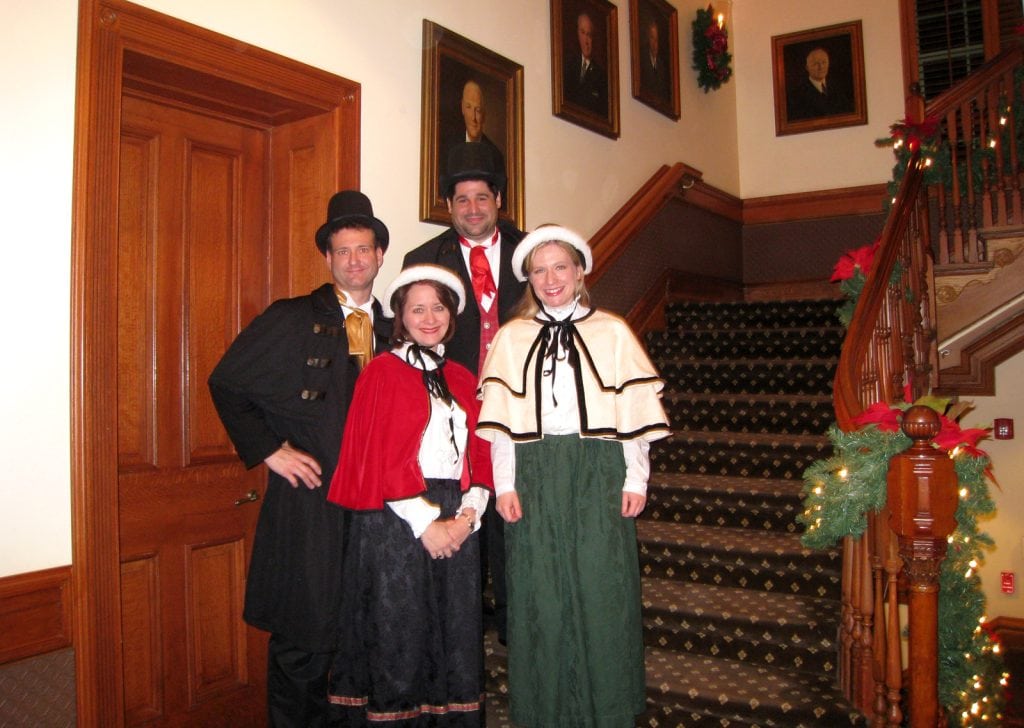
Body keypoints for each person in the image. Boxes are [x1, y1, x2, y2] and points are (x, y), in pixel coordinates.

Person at [476, 225, 671, 727]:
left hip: (598, 468)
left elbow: (633, 419)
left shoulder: (613, 332)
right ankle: (546, 709)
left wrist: (635, 479)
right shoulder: (511, 338)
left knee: (601, 588)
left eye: (559, 266)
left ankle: (606, 707)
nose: (550, 278)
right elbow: (501, 425)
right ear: (529, 280)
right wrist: (505, 484)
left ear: (580, 271)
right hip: (534, 471)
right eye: (538, 271)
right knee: (539, 590)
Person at [208, 190, 390, 727]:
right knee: (304, 641)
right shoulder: (290, 318)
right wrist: (270, 450)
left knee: (364, 634)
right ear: (328, 260)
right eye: (343, 251)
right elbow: (227, 384)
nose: (355, 260)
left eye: (364, 249)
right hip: (311, 508)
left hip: (379, 508)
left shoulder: (399, 325)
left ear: (381, 255)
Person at [325, 265, 493, 726]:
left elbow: (482, 453)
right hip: (394, 520)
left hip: (459, 519)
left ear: (451, 314)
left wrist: (466, 518)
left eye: (438, 306)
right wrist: (426, 523)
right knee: (398, 631)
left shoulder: (461, 377)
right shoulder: (382, 372)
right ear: (400, 316)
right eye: (417, 308)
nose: (429, 316)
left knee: (455, 630)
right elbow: (379, 457)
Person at [404, 140, 525, 645]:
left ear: (498, 198)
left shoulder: (533, 252)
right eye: (461, 200)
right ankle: (462, 629)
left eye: (482, 197)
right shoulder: (422, 258)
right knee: (463, 518)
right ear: (448, 206)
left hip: (521, 414)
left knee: (516, 525)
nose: (472, 209)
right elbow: (407, 336)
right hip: (452, 416)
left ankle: (519, 629)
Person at [449, 79, 507, 203]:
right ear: (462, 108)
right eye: (462, 199)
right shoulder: (447, 149)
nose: (473, 117)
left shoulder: (496, 157)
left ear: (498, 199)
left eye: (478, 110)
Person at [787, 46, 852, 121]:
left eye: (824, 62)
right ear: (807, 67)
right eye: (815, 64)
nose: (821, 67)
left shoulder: (839, 87)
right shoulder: (797, 94)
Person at [563, 10, 608, 115]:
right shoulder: (568, 64)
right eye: (583, 33)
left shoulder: (601, 76)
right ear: (577, 34)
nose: (586, 41)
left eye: (589, 35)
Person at [640, 18, 670, 101]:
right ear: (648, 39)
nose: (654, 43)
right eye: (652, 38)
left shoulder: (662, 66)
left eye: (656, 39)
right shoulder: (642, 60)